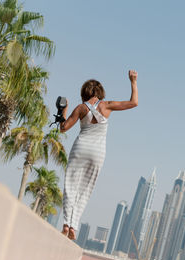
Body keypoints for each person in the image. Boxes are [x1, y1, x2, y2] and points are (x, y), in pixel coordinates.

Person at [59, 70, 138, 240]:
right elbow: (134, 103)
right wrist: (133, 81)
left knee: (71, 186)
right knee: (85, 190)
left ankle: (66, 224)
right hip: (98, 153)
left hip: (80, 148)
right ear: (99, 93)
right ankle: (74, 226)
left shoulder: (80, 108)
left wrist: (63, 111)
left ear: (85, 92)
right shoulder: (107, 105)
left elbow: (63, 128)